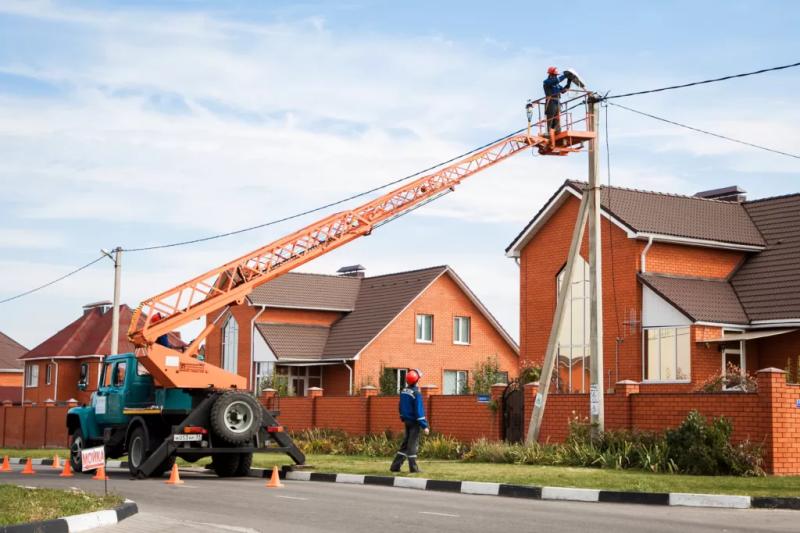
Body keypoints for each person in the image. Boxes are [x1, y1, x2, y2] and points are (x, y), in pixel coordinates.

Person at [390, 369, 429, 473]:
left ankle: (395, 466)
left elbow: (400, 406)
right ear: (416, 380)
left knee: (406, 444)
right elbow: (419, 410)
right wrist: (424, 426)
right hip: (414, 422)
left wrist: (403, 417)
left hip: (406, 421)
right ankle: (413, 468)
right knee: (413, 444)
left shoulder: (403, 391)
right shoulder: (416, 393)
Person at [542, 66, 572, 136]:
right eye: (554, 75)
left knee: (557, 118)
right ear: (550, 74)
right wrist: (564, 76)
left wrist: (569, 82)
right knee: (551, 118)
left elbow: (563, 91)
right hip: (550, 102)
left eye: (556, 75)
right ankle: (549, 132)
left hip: (557, 102)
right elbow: (556, 80)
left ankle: (557, 131)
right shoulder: (546, 82)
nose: (555, 76)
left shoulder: (557, 85)